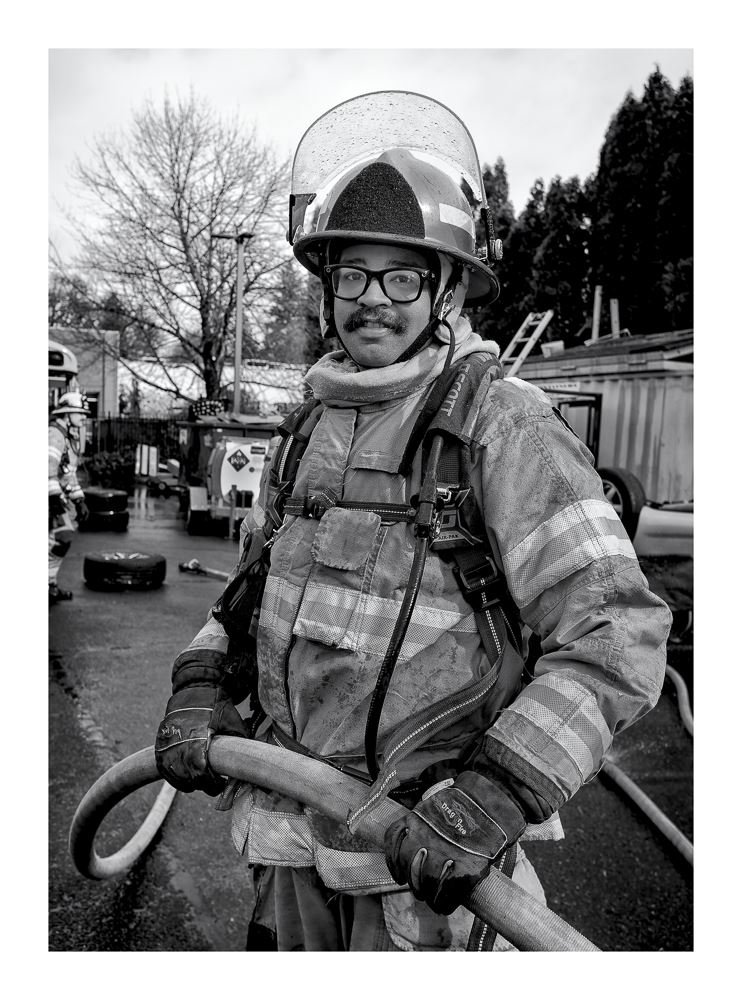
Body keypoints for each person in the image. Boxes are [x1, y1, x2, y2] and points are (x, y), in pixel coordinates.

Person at [154, 92, 671, 951]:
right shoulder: (307, 428)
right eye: (351, 274)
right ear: (326, 289)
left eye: (402, 276)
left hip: (427, 874)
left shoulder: (503, 430)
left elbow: (617, 631)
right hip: (290, 849)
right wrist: (201, 683)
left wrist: (496, 793)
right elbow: (254, 592)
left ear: (447, 290)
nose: (372, 301)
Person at [49, 390, 90, 603]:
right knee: (60, 540)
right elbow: (47, 469)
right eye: (80, 412)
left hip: (56, 498)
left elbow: (68, 475)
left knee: (59, 541)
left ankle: (49, 585)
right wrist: (54, 498)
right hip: (50, 499)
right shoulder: (55, 435)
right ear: (66, 413)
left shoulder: (66, 436)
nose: (84, 416)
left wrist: (79, 499)